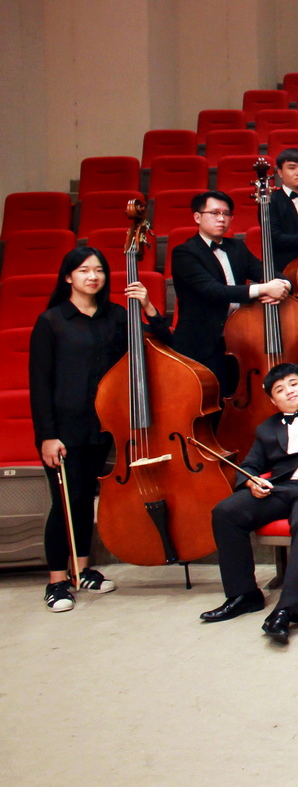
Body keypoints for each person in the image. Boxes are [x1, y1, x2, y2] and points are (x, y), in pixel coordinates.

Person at [30, 247, 169, 611]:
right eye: (83, 270)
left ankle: (83, 571)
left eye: (99, 270)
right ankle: (57, 581)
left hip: (104, 426)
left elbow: (162, 344)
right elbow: (40, 384)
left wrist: (148, 307)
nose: (92, 276)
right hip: (64, 429)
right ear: (68, 277)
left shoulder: (117, 316)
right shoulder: (51, 321)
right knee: (65, 503)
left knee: (83, 501)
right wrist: (47, 435)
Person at [202, 363, 298, 643]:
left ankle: (286, 610)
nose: (289, 391)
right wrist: (252, 482)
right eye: (280, 390)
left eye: (294, 384)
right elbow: (249, 466)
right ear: (273, 400)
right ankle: (243, 594)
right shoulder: (267, 429)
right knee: (225, 512)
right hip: (282, 487)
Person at [171, 190, 292, 394]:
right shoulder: (184, 253)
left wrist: (284, 285)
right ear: (197, 217)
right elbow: (212, 290)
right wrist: (264, 288)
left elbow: (267, 272)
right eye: (214, 213)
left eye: (226, 214)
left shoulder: (237, 247)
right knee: (211, 400)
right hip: (202, 343)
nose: (221, 219)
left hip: (237, 338)